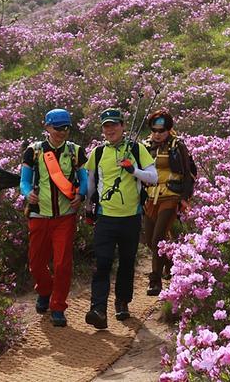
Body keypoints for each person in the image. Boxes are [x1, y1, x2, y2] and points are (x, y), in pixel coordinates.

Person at [85, 108, 157, 329]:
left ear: (123, 126)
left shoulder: (137, 149)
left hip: (131, 218)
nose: (111, 129)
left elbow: (153, 177)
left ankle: (122, 302)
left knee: (127, 262)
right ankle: (98, 309)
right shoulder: (97, 153)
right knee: (103, 263)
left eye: (115, 124)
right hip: (105, 217)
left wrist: (133, 170)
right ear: (103, 129)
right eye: (107, 126)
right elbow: (90, 182)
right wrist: (88, 206)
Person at [19, 108, 88, 327]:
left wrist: (81, 193)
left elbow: (84, 179)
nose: (62, 132)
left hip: (65, 217)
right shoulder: (34, 151)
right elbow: (24, 181)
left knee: (62, 264)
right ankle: (45, 290)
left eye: (66, 128)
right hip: (39, 216)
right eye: (58, 128)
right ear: (47, 127)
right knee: (36, 263)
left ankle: (58, 306)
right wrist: (26, 193)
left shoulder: (76, 151)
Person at [140, 110, 196, 297]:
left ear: (168, 129)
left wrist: (185, 198)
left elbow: (188, 173)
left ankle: (155, 281)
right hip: (150, 197)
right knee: (149, 240)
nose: (157, 134)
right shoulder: (145, 146)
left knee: (157, 240)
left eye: (161, 130)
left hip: (171, 195)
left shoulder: (177, 145)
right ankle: (172, 262)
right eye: (154, 130)